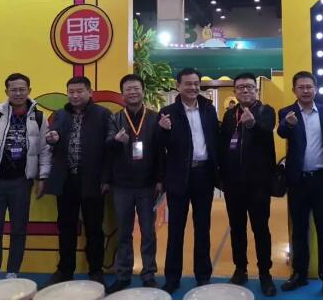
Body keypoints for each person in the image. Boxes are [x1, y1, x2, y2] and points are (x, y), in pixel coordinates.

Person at [0, 73, 51, 281]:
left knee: (19, 230)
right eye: (13, 89)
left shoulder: (38, 117)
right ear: (6, 91)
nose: (18, 93)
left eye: (22, 89)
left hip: (21, 183)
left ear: (29, 91)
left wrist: (43, 177)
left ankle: (12, 273)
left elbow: (44, 149)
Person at [277, 71, 323, 300]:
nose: (305, 91)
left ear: (315, 89)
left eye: (309, 87)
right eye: (301, 87)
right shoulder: (287, 113)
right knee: (299, 231)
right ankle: (299, 274)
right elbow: (281, 132)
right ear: (294, 90)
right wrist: (287, 124)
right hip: (298, 181)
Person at [43, 76, 112, 287]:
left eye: (79, 91)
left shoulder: (103, 114)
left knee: (94, 228)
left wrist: (106, 178)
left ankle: (96, 271)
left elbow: (110, 150)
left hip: (93, 180)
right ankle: (65, 270)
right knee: (66, 227)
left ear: (90, 92)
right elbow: (53, 135)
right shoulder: (61, 114)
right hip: (66, 180)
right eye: (71, 92)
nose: (74, 95)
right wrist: (52, 138)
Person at [158, 68, 219, 294]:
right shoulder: (167, 113)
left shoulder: (209, 109)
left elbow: (216, 139)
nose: (193, 87)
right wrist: (163, 131)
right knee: (176, 230)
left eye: (196, 83)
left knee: (203, 228)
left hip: (204, 175)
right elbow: (160, 147)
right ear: (178, 86)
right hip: (179, 177)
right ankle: (172, 278)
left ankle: (203, 276)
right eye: (188, 83)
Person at [219, 73, 277, 296]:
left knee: (261, 229)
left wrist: (253, 124)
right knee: (237, 228)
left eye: (250, 87)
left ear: (256, 90)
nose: (245, 90)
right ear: (234, 91)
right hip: (233, 184)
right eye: (241, 87)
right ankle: (240, 269)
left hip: (258, 184)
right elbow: (223, 144)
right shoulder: (229, 115)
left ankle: (265, 273)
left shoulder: (266, 111)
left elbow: (267, 131)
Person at [105, 74, 164, 293]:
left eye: (136, 88)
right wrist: (115, 140)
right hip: (122, 185)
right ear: (122, 94)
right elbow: (107, 146)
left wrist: (160, 179)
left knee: (148, 232)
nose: (132, 92)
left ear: (143, 91)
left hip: (148, 185)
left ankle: (148, 273)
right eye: (128, 89)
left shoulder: (155, 118)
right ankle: (123, 274)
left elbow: (161, 151)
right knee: (124, 232)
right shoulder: (115, 118)